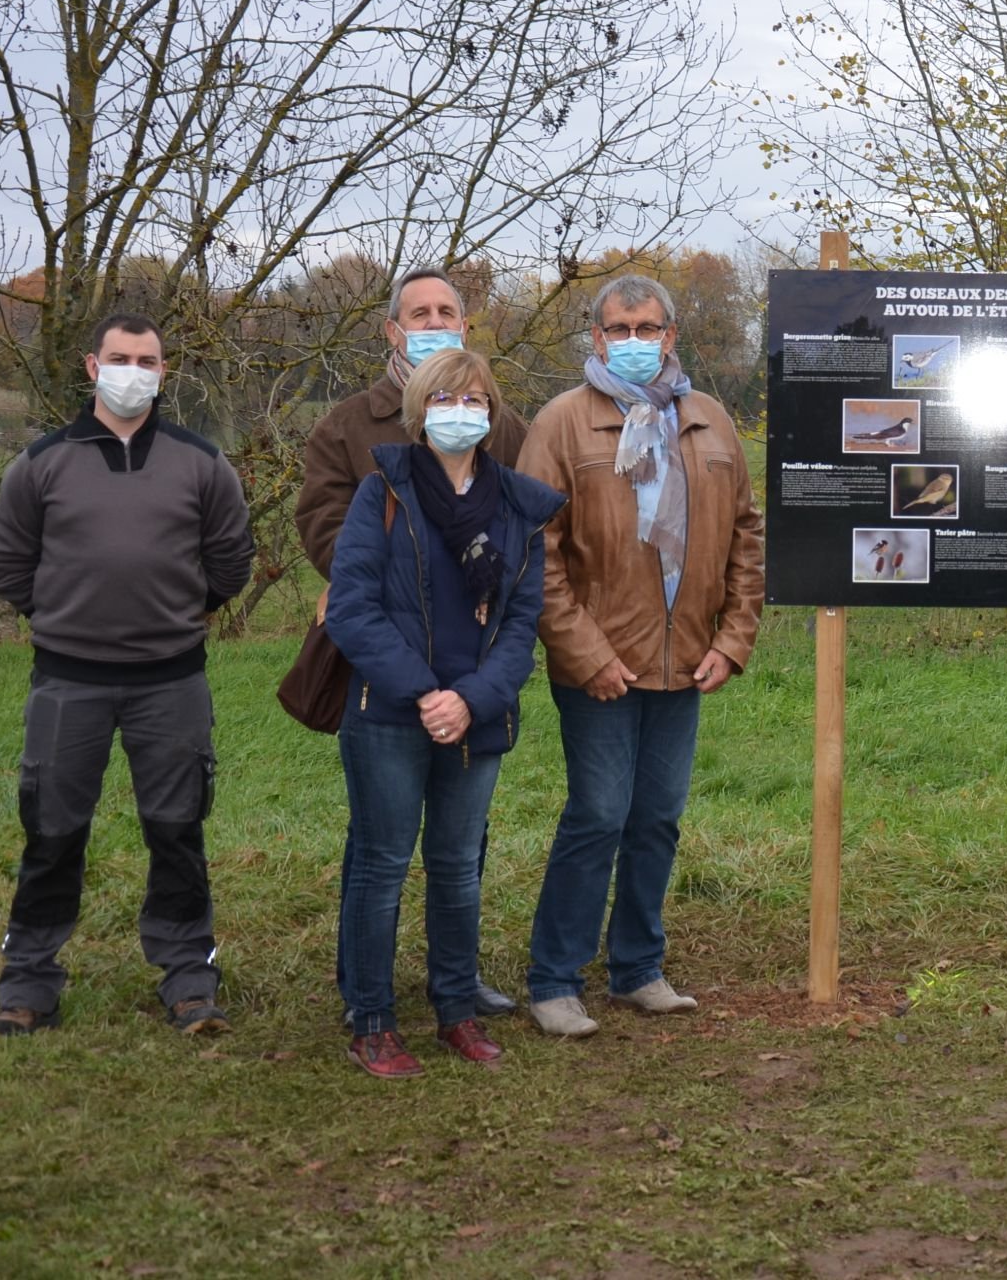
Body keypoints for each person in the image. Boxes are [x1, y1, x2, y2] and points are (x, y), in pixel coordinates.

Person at [0, 314, 254, 1037]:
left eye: (149, 360)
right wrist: (71, 619)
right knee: (53, 830)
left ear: (165, 373)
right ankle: (29, 984)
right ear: (92, 366)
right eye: (121, 357)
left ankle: (190, 978)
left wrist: (170, 615)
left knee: (176, 827)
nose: (135, 370)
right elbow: (7, 562)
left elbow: (230, 562)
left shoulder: (202, 463)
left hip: (172, 681)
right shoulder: (41, 464)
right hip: (68, 683)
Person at [518, 274, 766, 1036]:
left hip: (686, 658)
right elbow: (535, 551)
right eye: (618, 329)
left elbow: (748, 536)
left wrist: (732, 639)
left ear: (671, 337)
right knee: (598, 815)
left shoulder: (712, 421)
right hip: (601, 664)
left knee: (657, 817)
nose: (634, 341)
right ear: (595, 338)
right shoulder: (561, 424)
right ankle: (555, 980)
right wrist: (582, 649)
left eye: (647, 328)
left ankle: (637, 969)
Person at [296, 266, 530, 1018]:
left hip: (474, 659)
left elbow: (523, 540)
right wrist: (387, 575)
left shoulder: (508, 424)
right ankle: (363, 986)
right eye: (419, 312)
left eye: (448, 310)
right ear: (394, 331)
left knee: (461, 850)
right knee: (381, 846)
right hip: (387, 657)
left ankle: (453, 986)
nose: (435, 321)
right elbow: (324, 520)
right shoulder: (348, 426)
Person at [325, 348, 563, 1077]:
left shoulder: (522, 506)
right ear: (418, 410)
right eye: (444, 400)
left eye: (475, 401)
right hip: (392, 713)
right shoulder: (383, 493)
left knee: (459, 868)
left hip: (476, 717)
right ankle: (373, 1019)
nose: (460, 413)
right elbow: (353, 609)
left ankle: (455, 1009)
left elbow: (522, 626)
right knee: (383, 865)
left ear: (492, 415)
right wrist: (426, 693)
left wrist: (473, 699)